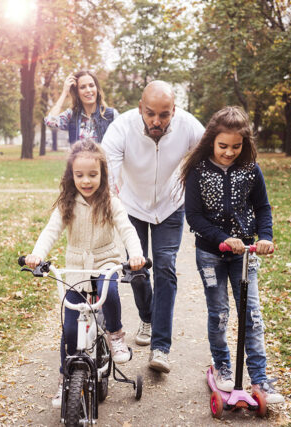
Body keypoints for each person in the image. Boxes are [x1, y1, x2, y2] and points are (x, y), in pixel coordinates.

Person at [25, 141, 146, 408]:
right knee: (68, 329)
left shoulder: (111, 202)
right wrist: (37, 255)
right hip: (76, 267)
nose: (86, 180)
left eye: (92, 175)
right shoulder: (66, 204)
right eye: (79, 175)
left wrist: (135, 255)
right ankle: (63, 380)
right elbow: (51, 231)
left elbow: (127, 230)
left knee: (110, 290)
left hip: (106, 261)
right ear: (71, 176)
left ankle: (115, 336)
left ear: (102, 174)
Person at [180, 106, 284, 404]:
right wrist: (224, 238)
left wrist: (265, 237)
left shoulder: (250, 169)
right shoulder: (198, 170)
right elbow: (194, 217)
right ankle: (223, 366)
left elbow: (262, 208)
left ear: (245, 143)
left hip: (245, 255)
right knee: (220, 313)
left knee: (251, 315)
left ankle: (261, 379)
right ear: (212, 140)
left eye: (236, 147)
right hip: (211, 254)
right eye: (223, 146)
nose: (229, 152)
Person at [102, 81, 205, 373]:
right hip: (132, 206)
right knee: (137, 271)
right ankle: (147, 316)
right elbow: (106, 171)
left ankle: (161, 347)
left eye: (164, 114)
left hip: (171, 205)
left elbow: (212, 157)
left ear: (174, 110)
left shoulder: (188, 126)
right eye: (150, 114)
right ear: (140, 108)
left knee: (165, 267)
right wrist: (109, 202)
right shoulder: (122, 128)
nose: (156, 121)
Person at [44, 70, 117, 144]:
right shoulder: (71, 115)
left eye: (91, 85)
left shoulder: (111, 114)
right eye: (82, 87)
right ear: (77, 93)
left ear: (97, 89)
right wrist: (64, 92)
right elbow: (50, 122)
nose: (88, 90)